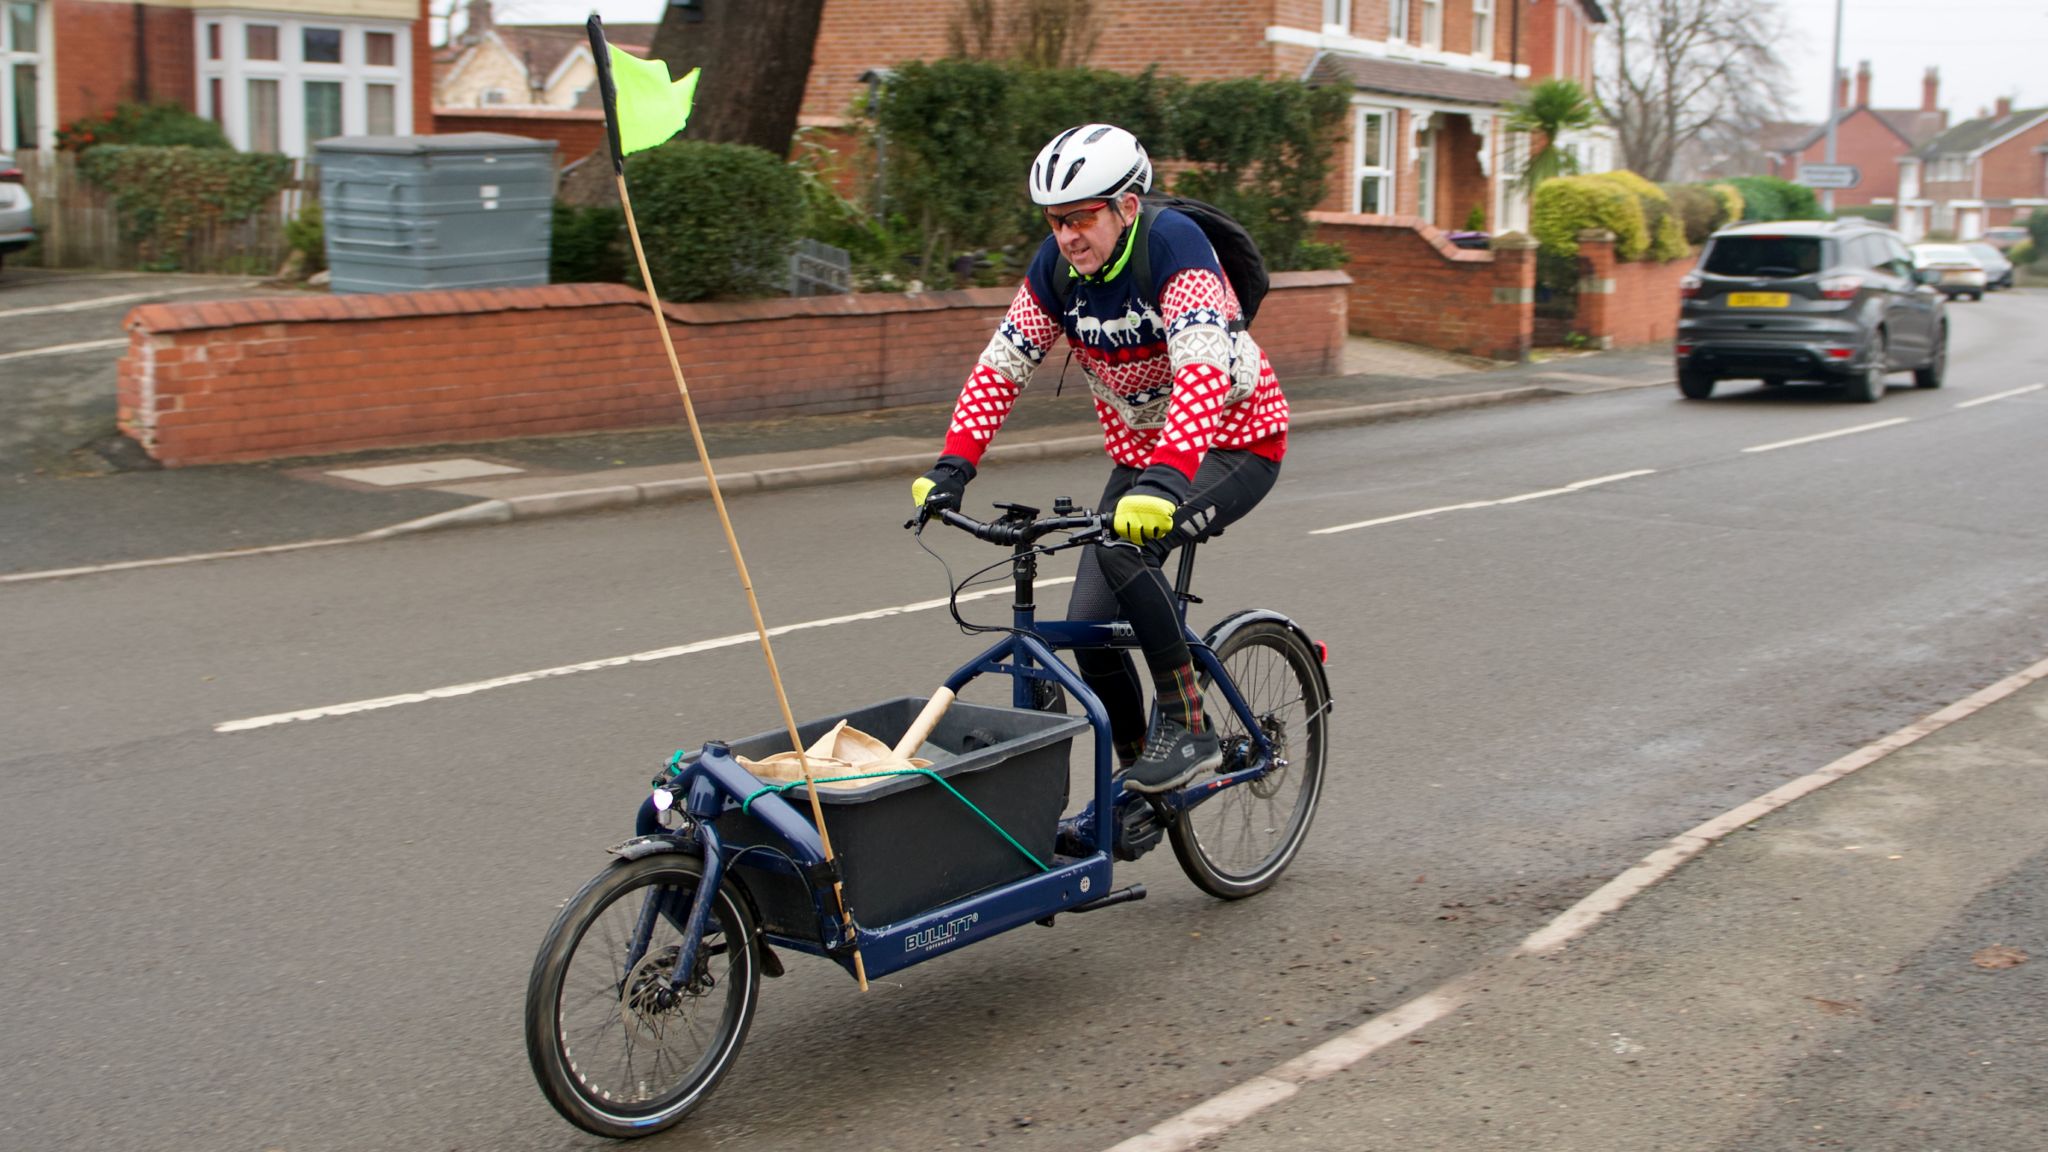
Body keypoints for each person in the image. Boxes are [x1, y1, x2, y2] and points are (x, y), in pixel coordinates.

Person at [911, 123, 1289, 794]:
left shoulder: (1175, 247)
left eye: (1082, 218)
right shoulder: (1056, 270)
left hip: (1233, 442)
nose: (1067, 236)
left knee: (1125, 550)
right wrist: (952, 468)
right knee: (1089, 627)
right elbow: (1001, 369)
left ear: (1126, 207)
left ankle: (1189, 727)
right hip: (1145, 458)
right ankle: (1144, 766)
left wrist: (1169, 480)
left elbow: (1203, 368)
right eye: (1056, 221)